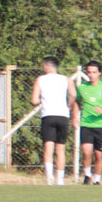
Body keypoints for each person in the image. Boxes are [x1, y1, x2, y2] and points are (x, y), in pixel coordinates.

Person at [31, 55, 76, 186]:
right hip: (63, 116)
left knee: (48, 147)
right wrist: (69, 105)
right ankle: (60, 179)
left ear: (47, 66)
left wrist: (42, 99)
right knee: (60, 149)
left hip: (48, 115)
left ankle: (50, 176)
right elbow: (73, 94)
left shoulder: (40, 79)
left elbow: (34, 100)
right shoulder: (66, 79)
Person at [72, 60, 102, 185]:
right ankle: (87, 175)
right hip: (86, 124)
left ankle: (97, 179)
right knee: (86, 152)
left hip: (101, 125)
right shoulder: (82, 88)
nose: (91, 75)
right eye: (89, 72)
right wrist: (75, 117)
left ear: (99, 73)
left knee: (99, 155)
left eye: (94, 72)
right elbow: (77, 102)